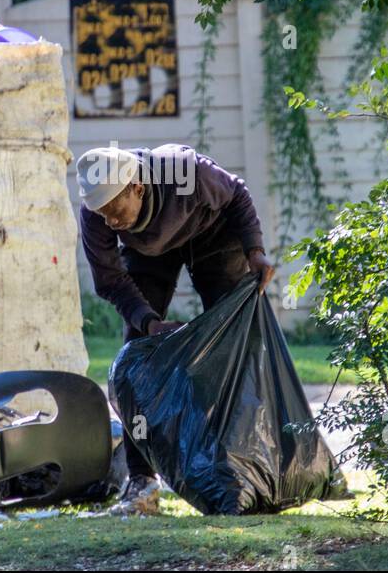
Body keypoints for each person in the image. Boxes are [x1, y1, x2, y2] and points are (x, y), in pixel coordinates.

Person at [75, 143, 275, 515]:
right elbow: (111, 280)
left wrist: (254, 250)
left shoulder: (184, 173)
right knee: (134, 364)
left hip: (212, 234)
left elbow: (236, 193)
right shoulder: (97, 215)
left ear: (137, 187)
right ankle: (142, 482)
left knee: (234, 347)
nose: (110, 222)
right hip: (150, 252)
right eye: (101, 214)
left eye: (115, 211)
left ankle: (247, 467)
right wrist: (149, 322)